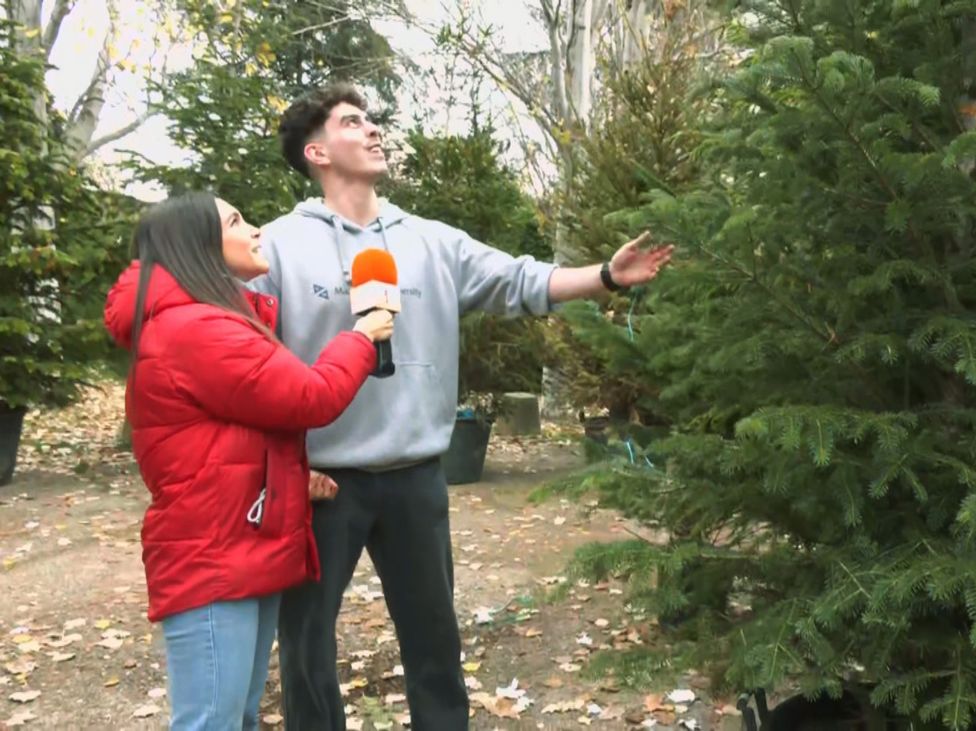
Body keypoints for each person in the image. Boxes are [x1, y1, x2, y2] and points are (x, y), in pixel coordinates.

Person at [249, 82, 673, 730]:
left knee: (434, 646)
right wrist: (281, 464)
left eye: (371, 119)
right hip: (320, 484)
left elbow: (519, 281)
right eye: (351, 121)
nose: (371, 129)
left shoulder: (430, 241)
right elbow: (251, 362)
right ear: (315, 150)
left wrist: (606, 277)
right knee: (306, 647)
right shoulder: (276, 245)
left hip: (418, 474)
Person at [102, 191, 396, 730]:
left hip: (241, 547)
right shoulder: (196, 329)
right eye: (237, 220)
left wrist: (289, 478)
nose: (256, 228)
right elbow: (309, 397)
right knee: (211, 721)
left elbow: (227, 435)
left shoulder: (204, 320)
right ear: (199, 247)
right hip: (214, 558)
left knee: (235, 716)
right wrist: (359, 337)